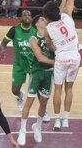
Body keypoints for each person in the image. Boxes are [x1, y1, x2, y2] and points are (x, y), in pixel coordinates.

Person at [42, 0, 80, 131]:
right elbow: (70, 2)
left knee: (57, 89)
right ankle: (66, 119)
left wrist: (54, 49)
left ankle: (57, 120)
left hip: (61, 58)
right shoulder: (67, 18)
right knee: (69, 88)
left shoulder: (48, 28)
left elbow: (48, 43)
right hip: (75, 57)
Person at [17, 15, 55, 146]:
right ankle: (23, 129)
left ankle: (37, 127)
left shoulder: (51, 37)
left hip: (48, 74)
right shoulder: (33, 39)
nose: (46, 21)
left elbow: (57, 50)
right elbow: (40, 58)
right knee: (30, 101)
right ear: (38, 24)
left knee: (44, 103)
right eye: (43, 19)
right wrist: (58, 62)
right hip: (37, 72)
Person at [0, 10, 35, 110]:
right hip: (19, 64)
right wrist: (2, 50)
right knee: (14, 90)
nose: (27, 16)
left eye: (29, 14)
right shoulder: (14, 30)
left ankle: (43, 111)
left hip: (33, 64)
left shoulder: (35, 30)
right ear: (21, 17)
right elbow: (3, 43)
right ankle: (20, 97)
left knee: (38, 89)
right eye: (25, 15)